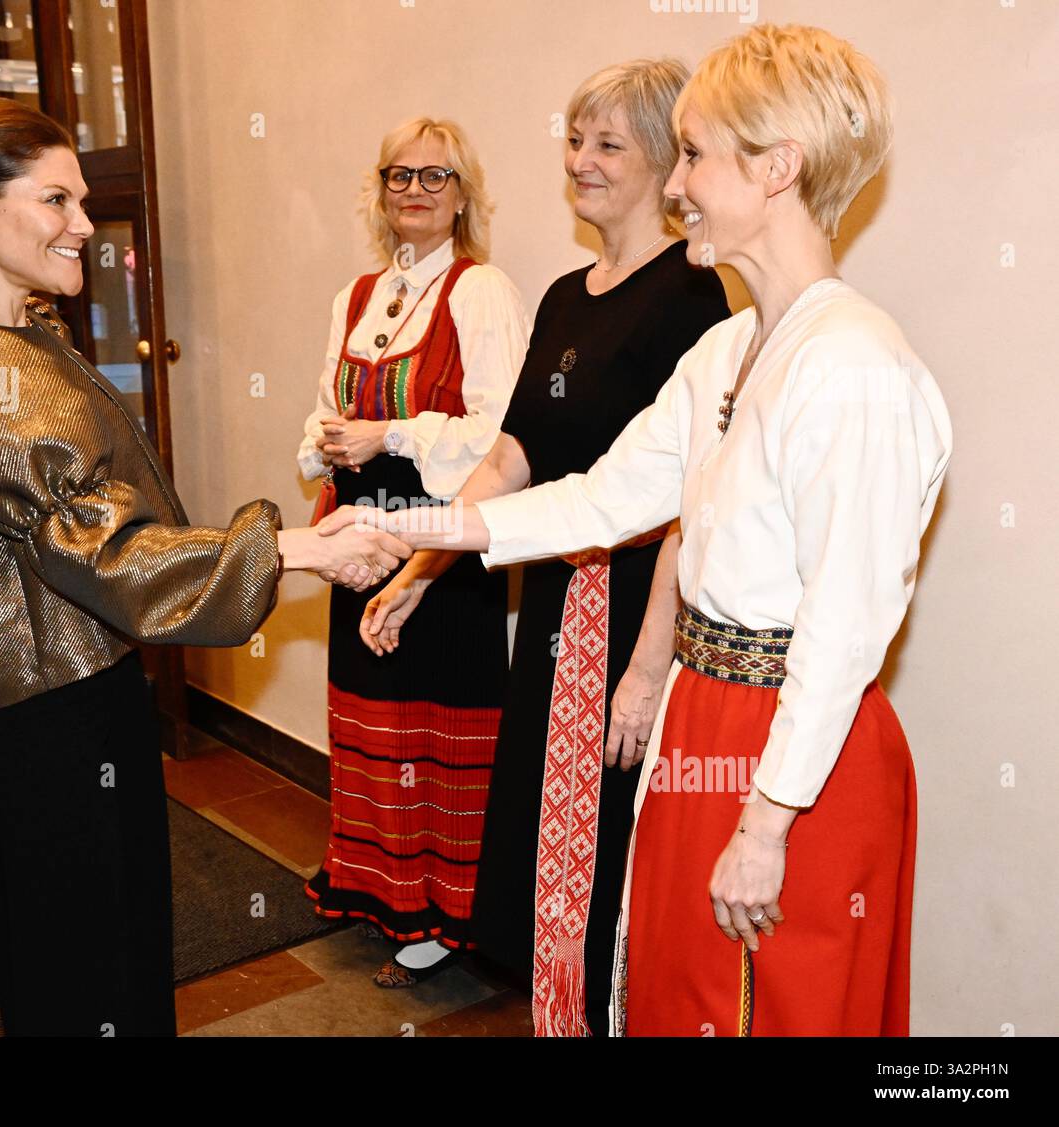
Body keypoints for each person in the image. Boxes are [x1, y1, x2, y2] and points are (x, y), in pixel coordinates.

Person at [320, 24, 952, 1035]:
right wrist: (405, 530)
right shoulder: (731, 347)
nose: (674, 186)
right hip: (702, 715)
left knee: (774, 1003)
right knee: (671, 985)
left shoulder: (855, 367)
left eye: (693, 156)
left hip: (795, 745)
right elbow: (600, 498)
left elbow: (845, 625)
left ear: (776, 167)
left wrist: (769, 817)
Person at [0, 97, 409, 1036]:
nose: (84, 225)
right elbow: (99, 542)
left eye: (80, 200)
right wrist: (293, 546)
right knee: (76, 968)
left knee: (122, 951)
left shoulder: (25, 334)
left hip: (91, 689)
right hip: (39, 721)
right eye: (56, 200)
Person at [354, 62, 728, 1033]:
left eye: (609, 144)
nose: (582, 162)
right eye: (575, 140)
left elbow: (695, 493)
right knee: (546, 834)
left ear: (663, 162)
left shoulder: (691, 296)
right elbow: (512, 453)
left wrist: (647, 666)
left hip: (643, 606)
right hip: (563, 599)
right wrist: (418, 565)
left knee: (620, 840)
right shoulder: (566, 293)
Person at [297, 117, 528, 985]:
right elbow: (324, 405)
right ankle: (378, 885)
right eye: (400, 176)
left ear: (463, 194)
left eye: (436, 177)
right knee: (370, 715)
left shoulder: (481, 291)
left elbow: (502, 432)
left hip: (441, 539)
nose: (416, 192)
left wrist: (386, 430)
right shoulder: (356, 296)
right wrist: (327, 442)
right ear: (380, 189)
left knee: (438, 724)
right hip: (360, 532)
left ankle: (443, 912)